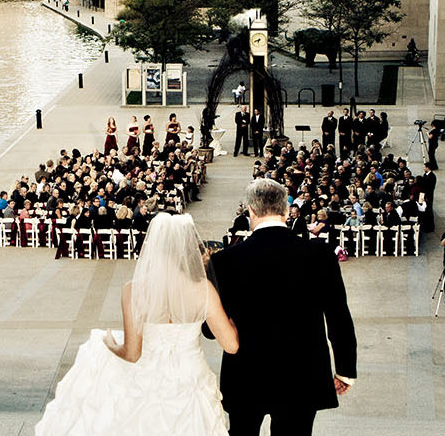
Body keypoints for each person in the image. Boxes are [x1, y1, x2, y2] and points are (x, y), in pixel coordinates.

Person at [34, 213, 238, 435]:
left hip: (147, 379)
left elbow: (132, 353)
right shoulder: (203, 290)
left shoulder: (134, 290)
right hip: (190, 379)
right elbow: (231, 346)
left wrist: (110, 345)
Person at [205, 179, 356, 436]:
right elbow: (338, 316)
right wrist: (345, 370)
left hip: (246, 374)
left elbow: (210, 331)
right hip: (302, 373)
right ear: (286, 211)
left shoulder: (223, 261)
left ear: (250, 211)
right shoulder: (319, 255)